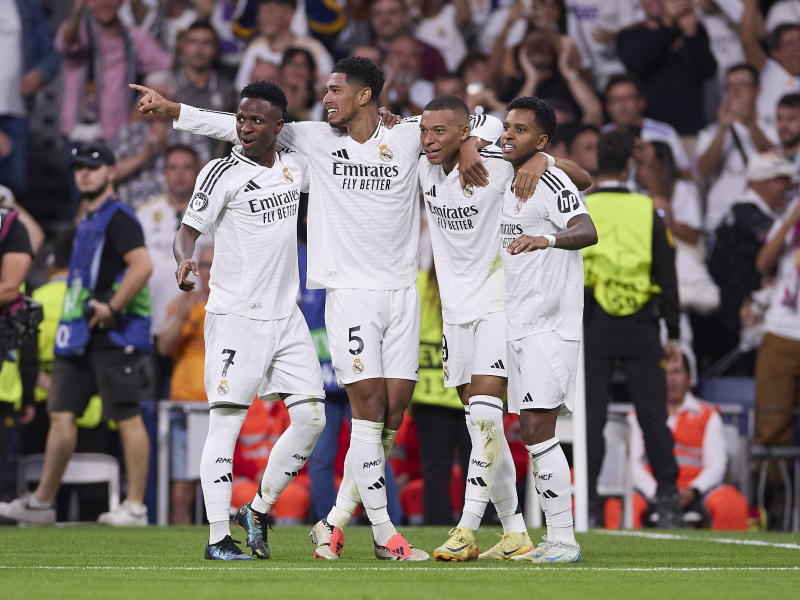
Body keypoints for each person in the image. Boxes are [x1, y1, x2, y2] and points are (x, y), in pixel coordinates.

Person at [135, 57, 502, 561]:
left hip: (399, 294)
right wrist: (175, 109)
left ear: (365, 96)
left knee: (385, 420)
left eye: (334, 90)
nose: (324, 97)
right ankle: (382, 535)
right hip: (343, 295)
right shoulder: (312, 140)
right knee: (367, 417)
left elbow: (485, 120)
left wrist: (472, 144)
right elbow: (244, 126)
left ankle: (326, 522)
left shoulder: (409, 134)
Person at [410, 95, 592, 562]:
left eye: (440, 133)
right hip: (456, 313)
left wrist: (539, 156)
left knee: (492, 419)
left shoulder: (507, 164)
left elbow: (583, 183)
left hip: (503, 305)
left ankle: (469, 528)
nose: (429, 140)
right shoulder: (423, 164)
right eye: (425, 132)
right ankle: (514, 530)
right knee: (480, 424)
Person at [172, 81, 326, 560]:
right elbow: (187, 232)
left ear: (279, 127)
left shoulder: (294, 168)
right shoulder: (219, 173)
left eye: (257, 120)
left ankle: (257, 509)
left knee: (311, 417)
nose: (245, 128)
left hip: (285, 316)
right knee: (226, 426)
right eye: (240, 119)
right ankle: (219, 537)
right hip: (236, 315)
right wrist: (185, 260)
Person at [0, 142, 155, 526]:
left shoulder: (118, 216)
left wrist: (113, 307)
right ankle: (43, 502)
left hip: (112, 332)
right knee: (61, 413)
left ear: (112, 173)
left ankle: (135, 506)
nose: (84, 173)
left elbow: (143, 266)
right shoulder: (86, 218)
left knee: (126, 416)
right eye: (79, 168)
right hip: (78, 331)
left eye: (93, 167)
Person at [498, 96, 598, 564]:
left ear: (540, 139)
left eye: (520, 130)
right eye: (506, 127)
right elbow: (588, 177)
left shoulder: (549, 178)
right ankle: (554, 537)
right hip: (520, 320)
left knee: (539, 428)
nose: (507, 136)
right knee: (530, 428)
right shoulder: (512, 169)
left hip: (549, 325)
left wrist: (547, 238)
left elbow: (586, 227)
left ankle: (563, 538)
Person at [581, 129, 682, 529]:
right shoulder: (648, 210)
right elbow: (668, 274)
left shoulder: (581, 206)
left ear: (596, 163)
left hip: (593, 322)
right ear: (629, 164)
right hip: (642, 324)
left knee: (591, 418)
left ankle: (587, 504)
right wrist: (673, 332)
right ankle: (669, 499)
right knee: (653, 416)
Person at [626, 354, 749, 530]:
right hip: (651, 492)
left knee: (731, 504)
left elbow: (717, 463)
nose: (670, 379)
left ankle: (729, 558)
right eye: (664, 372)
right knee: (621, 506)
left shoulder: (708, 414)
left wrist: (694, 490)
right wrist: (657, 492)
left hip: (697, 492)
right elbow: (632, 464)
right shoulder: (637, 415)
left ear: (690, 379)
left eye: (676, 372)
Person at [708, 153, 796, 368]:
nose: (788, 187)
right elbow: (766, 259)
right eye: (781, 180)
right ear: (764, 182)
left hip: (734, 319)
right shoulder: (749, 215)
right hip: (737, 325)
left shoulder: (739, 210)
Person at [57, 0, 172, 146]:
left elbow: (164, 66)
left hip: (119, 132)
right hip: (80, 131)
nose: (105, 3)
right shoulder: (78, 30)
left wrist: (144, 105)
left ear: (121, 2)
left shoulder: (134, 36)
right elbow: (68, 42)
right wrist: (76, 12)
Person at [156, 244, 212, 525]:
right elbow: (164, 347)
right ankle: (182, 555)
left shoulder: (236, 306)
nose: (210, 272)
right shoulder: (182, 306)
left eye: (215, 265)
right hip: (186, 407)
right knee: (182, 491)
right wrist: (182, 314)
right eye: (204, 265)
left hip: (224, 408)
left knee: (233, 487)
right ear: (196, 269)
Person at [752, 154, 800, 470]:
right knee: (770, 430)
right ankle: (772, 512)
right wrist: (792, 219)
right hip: (783, 331)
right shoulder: (788, 219)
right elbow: (762, 263)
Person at [616, 0, 717, 136]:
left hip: (690, 131)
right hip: (649, 133)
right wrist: (667, 24)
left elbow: (708, 71)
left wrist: (691, 34)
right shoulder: (629, 35)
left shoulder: (691, 29)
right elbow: (639, 64)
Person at [136, 145, 202, 347]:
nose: (180, 173)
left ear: (198, 171)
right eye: (173, 168)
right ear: (164, 173)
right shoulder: (144, 215)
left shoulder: (216, 215)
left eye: (186, 167)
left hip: (201, 326)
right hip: (154, 324)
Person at [112, 73, 210, 209]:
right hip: (130, 209)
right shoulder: (127, 132)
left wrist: (167, 150)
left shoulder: (192, 133)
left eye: (159, 95)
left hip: (178, 211)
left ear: (173, 100)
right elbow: (110, 174)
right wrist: (144, 155)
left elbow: (206, 176)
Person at [696, 63, 773, 233]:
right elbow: (704, 170)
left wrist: (751, 124)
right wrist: (723, 128)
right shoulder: (710, 133)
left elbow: (775, 163)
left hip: (761, 222)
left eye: (743, 85)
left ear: (758, 90)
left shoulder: (771, 130)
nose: (735, 92)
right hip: (720, 219)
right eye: (730, 86)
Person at [0, 0, 60, 196]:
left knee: (11, 192)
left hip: (16, 114)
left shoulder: (27, 6)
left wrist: (40, 73)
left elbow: (51, 56)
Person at [234, 0, 333, 93]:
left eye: (271, 11)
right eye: (260, 11)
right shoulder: (253, 49)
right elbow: (241, 91)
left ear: (290, 13)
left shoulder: (313, 49)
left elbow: (329, 91)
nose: (263, 17)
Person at [601, 74, 691, 174]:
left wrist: (656, 160)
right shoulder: (601, 136)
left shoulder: (665, 133)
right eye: (616, 99)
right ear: (607, 106)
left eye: (628, 98)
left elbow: (686, 174)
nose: (622, 104)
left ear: (642, 102)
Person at [741, 0, 800, 143]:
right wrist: (750, 5)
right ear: (775, 52)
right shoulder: (768, 68)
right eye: (790, 44)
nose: (797, 48)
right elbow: (748, 41)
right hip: (765, 150)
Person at [369, 0, 447, 82]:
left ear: (406, 16)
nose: (385, 19)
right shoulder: (362, 55)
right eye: (378, 14)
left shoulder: (429, 55)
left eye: (392, 12)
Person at [174, 21, 237, 116]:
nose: (199, 49)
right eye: (193, 42)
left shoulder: (227, 90)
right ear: (183, 47)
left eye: (206, 43)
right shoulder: (166, 85)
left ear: (216, 49)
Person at [411, 0, 469, 73]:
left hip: (457, 72)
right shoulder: (414, 18)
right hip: (430, 75)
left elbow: (465, 18)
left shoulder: (451, 12)